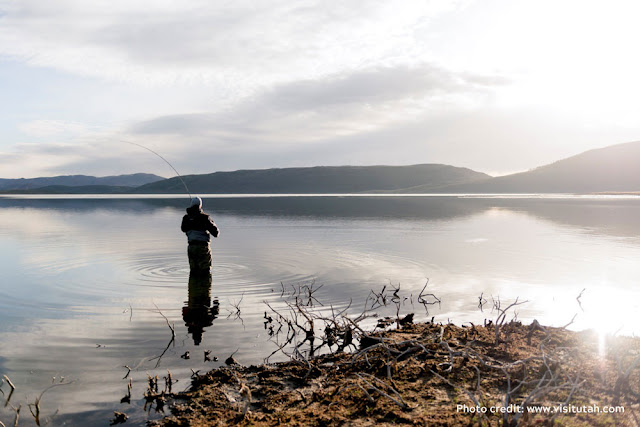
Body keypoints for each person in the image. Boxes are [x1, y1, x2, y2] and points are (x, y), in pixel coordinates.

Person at [181, 197, 219, 273]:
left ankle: (194, 284)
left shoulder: (186, 218)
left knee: (193, 272)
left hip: (191, 247)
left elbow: (183, 229)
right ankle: (204, 284)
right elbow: (216, 233)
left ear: (191, 205)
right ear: (200, 206)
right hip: (203, 247)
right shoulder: (205, 218)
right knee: (205, 272)